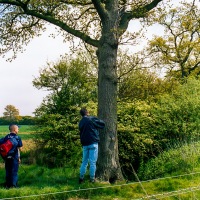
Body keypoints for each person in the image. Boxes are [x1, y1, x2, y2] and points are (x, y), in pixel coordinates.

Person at [79, 108, 105, 183]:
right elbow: (102, 124)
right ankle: (92, 179)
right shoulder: (91, 119)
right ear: (87, 112)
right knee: (93, 162)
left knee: (84, 162)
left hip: (85, 144)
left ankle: (81, 178)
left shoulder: (80, 122)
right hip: (93, 142)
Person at [3, 124, 23, 189]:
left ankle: (7, 185)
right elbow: (19, 148)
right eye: (18, 129)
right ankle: (14, 186)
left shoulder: (6, 137)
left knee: (8, 171)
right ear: (14, 130)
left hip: (6, 157)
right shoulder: (17, 138)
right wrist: (19, 158)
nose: (18, 130)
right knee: (14, 171)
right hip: (14, 157)